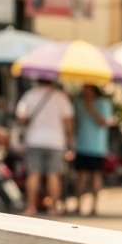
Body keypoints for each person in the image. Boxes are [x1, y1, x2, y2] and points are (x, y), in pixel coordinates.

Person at [14, 77, 75, 216]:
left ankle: (30, 207)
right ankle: (53, 208)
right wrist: (70, 141)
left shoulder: (29, 95)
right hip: (56, 141)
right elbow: (68, 121)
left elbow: (20, 116)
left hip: (34, 140)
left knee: (33, 174)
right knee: (53, 175)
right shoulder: (60, 97)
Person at [71, 83, 114, 216]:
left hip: (96, 147)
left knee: (96, 176)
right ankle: (78, 205)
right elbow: (74, 123)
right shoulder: (78, 103)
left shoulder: (103, 104)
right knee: (80, 176)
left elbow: (104, 123)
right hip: (80, 145)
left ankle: (94, 206)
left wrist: (91, 109)